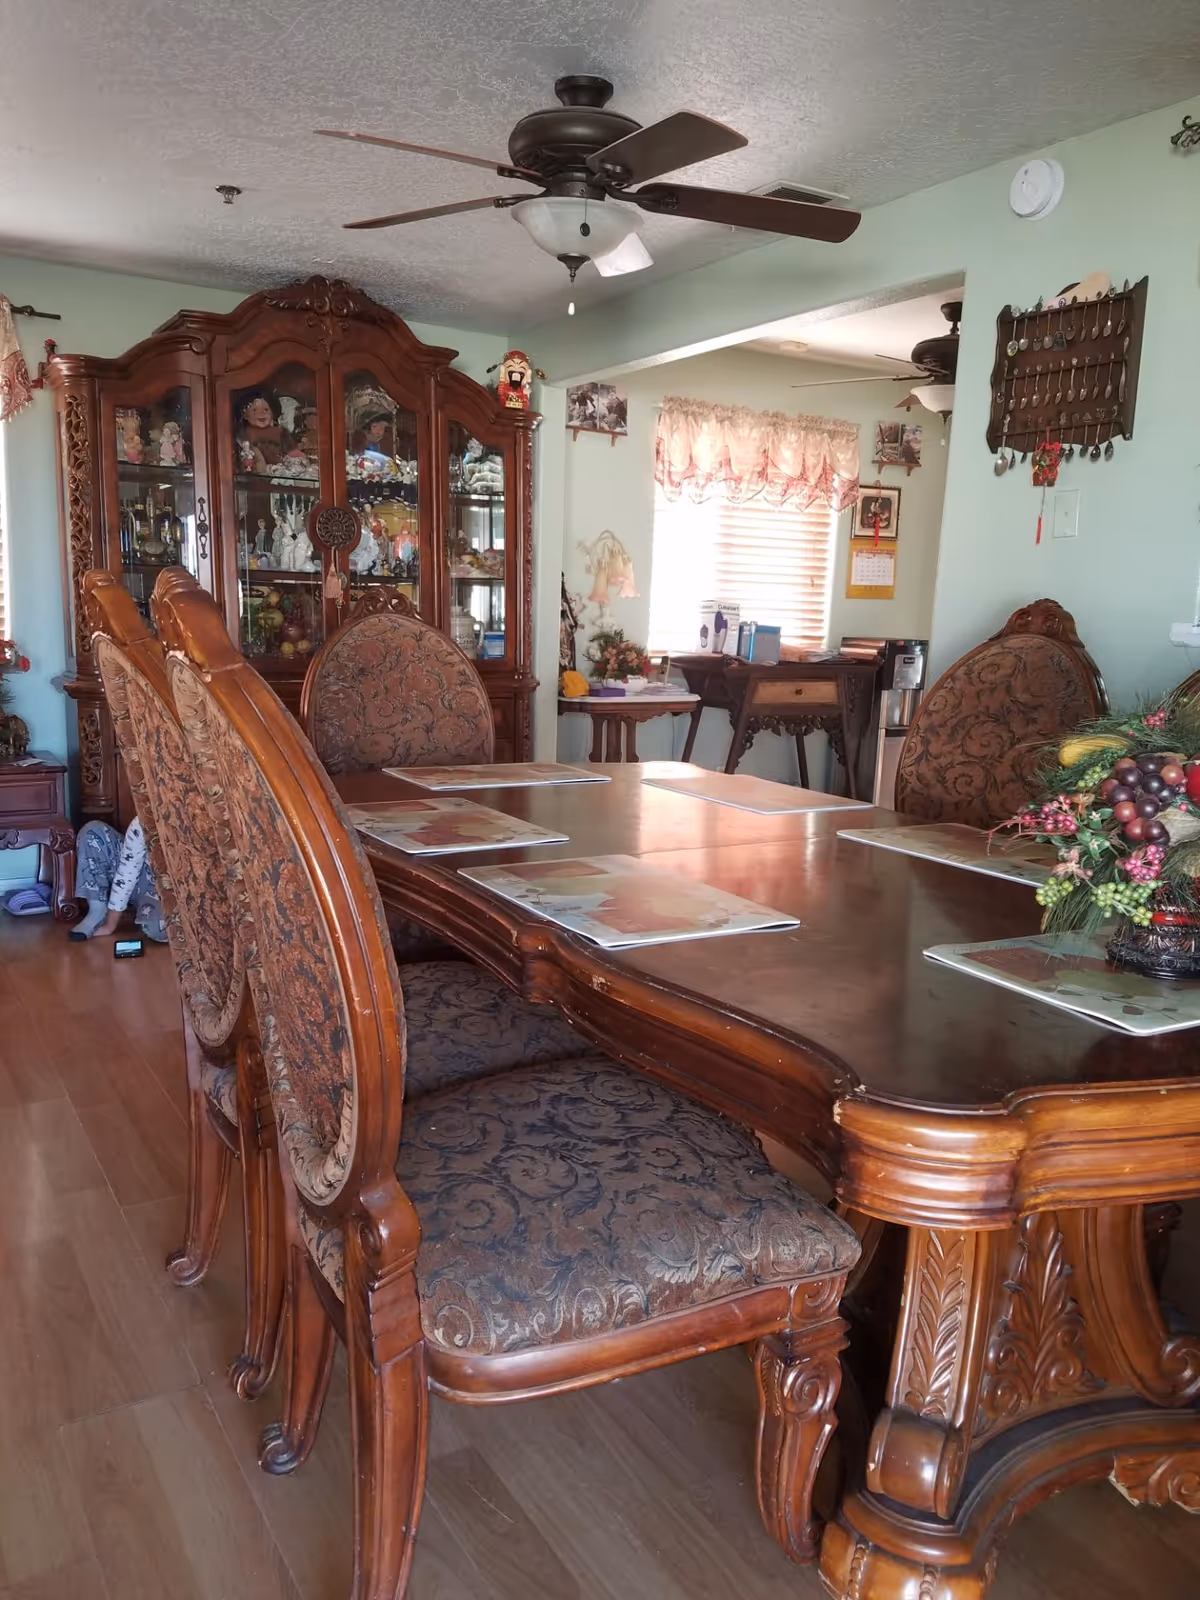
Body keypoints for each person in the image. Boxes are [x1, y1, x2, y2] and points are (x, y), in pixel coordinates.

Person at [69, 817, 166, 942]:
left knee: (159, 930)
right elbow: (127, 871)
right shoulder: (145, 817)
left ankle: (143, 912)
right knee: (92, 832)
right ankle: (97, 910)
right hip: (137, 870)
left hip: (164, 889)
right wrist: (111, 925)